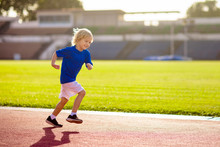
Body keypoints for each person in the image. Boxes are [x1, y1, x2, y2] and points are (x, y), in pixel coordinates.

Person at [46, 28, 93, 127]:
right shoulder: (69, 50)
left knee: (64, 100)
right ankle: (73, 115)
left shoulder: (86, 53)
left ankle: (52, 118)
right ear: (78, 39)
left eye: (89, 42)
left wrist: (89, 66)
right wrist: (53, 63)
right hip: (67, 79)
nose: (88, 44)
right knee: (82, 92)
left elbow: (89, 62)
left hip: (70, 80)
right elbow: (56, 53)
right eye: (86, 41)